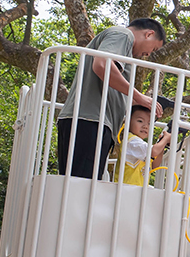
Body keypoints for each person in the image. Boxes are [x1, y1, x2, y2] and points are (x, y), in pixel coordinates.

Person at [55, 18, 165, 180]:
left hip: (91, 121)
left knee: (77, 184)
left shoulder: (124, 50)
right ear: (149, 34)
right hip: (90, 121)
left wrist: (138, 102)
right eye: (153, 49)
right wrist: (138, 96)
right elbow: (102, 65)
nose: (148, 54)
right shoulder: (123, 35)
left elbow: (113, 85)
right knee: (80, 186)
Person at [116, 104, 173, 186]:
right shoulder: (131, 141)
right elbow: (153, 152)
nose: (145, 126)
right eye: (140, 121)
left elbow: (154, 165)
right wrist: (166, 139)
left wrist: (162, 145)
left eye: (149, 123)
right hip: (126, 188)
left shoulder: (141, 147)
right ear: (128, 122)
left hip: (135, 189)